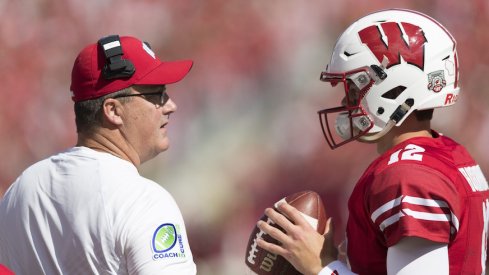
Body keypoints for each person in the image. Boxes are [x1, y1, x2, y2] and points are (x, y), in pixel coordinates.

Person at [256, 9, 489, 275]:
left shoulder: (407, 176)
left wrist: (321, 268)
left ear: (392, 88)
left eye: (354, 88)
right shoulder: (448, 154)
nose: (346, 102)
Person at [0, 35, 197, 274]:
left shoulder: (21, 190)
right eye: (156, 94)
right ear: (113, 110)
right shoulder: (143, 201)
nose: (170, 105)